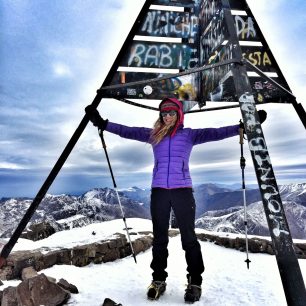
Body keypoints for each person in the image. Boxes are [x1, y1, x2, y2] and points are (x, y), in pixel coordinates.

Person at [85, 98, 265, 303]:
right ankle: (158, 280)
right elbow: (128, 130)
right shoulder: (154, 135)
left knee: (189, 238)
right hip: (159, 191)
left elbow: (217, 132)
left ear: (179, 114)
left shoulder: (189, 135)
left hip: (183, 191)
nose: (167, 116)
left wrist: (244, 126)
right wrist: (103, 123)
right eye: (164, 113)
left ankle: (195, 281)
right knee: (159, 238)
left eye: (171, 113)